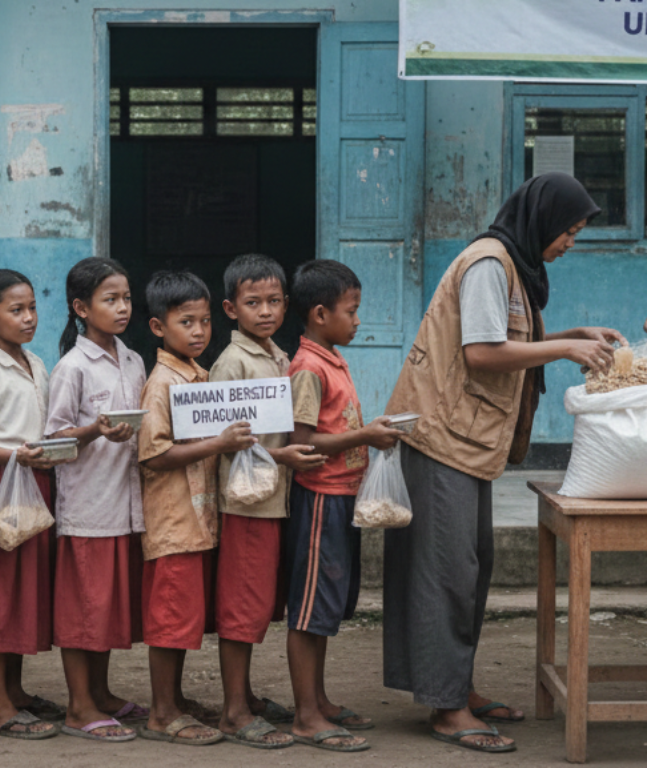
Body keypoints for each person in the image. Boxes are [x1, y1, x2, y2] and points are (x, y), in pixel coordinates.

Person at [383, 172, 625, 753]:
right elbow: (483, 351)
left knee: (470, 570)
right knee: (448, 575)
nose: (570, 242)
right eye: (567, 230)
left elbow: (504, 338)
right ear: (541, 219)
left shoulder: (512, 264)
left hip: (471, 444)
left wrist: (571, 333)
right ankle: (446, 708)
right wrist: (566, 348)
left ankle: (455, 688)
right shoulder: (489, 263)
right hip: (443, 438)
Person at [209, 254, 326, 750]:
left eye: (274, 301)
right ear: (230, 309)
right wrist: (282, 459)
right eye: (253, 303)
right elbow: (222, 441)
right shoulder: (231, 363)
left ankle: (249, 697)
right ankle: (234, 710)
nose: (266, 311)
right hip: (245, 505)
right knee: (241, 607)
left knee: (260, 604)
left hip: (273, 501)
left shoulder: (278, 356)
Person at [286, 259, 401, 753]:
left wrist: (369, 433)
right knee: (309, 611)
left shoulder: (331, 358)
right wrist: (365, 435)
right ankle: (306, 714)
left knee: (327, 608)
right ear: (319, 314)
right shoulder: (309, 369)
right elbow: (304, 443)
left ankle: (321, 700)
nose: (357, 321)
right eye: (351, 312)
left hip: (341, 498)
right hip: (319, 500)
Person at [136, 270, 255, 747]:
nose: (200, 331)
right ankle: (162, 712)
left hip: (198, 518)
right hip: (173, 521)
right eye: (187, 322)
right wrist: (218, 443)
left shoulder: (200, 376)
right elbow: (153, 454)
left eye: (205, 321)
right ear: (158, 327)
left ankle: (176, 701)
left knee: (184, 618)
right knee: (170, 620)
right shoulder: (162, 382)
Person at [0, 269, 71, 740]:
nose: (28, 318)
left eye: (32, 308)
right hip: (1, 489)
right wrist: (16, 454)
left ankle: (16, 692)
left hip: (35, 486)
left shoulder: (35, 363)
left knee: (24, 592)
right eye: (15, 310)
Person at [45, 257, 146, 743]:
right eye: (110, 299)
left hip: (124, 501)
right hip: (88, 504)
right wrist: (94, 431)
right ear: (81, 307)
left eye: (126, 297)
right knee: (84, 609)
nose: (122, 307)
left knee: (104, 607)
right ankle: (79, 706)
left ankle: (101, 694)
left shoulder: (132, 359)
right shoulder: (72, 367)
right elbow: (54, 442)